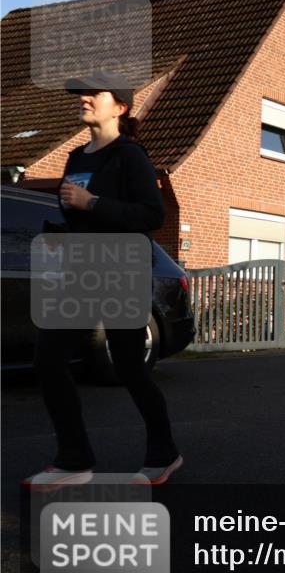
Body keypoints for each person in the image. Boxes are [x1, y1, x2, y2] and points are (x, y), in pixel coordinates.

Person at [25, 71, 182, 488]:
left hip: (121, 272)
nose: (85, 99)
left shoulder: (129, 156)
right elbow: (76, 215)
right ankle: (74, 457)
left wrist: (92, 202)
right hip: (79, 272)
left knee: (130, 367)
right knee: (48, 358)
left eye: (95, 93)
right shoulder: (77, 157)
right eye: (82, 94)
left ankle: (164, 453)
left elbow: (152, 215)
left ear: (121, 106)